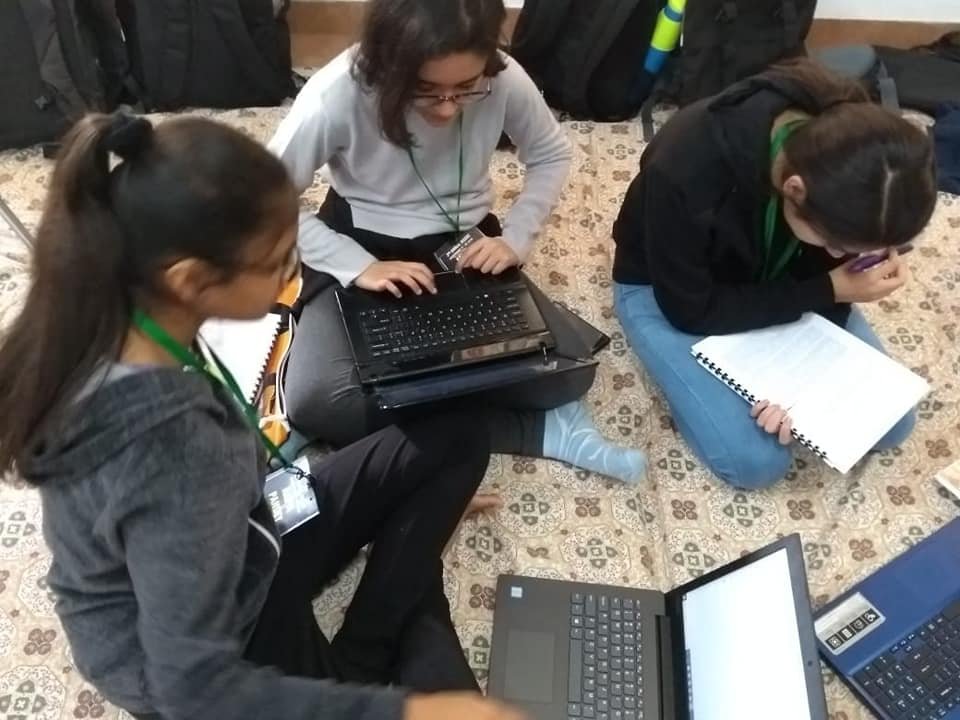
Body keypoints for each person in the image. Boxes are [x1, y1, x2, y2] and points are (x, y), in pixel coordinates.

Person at [0, 113, 526, 720]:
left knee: (458, 435)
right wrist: (405, 713)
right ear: (192, 279)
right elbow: (193, 688)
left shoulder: (111, 316)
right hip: (209, 650)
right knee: (429, 687)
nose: (293, 274)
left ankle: (372, 635)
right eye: (278, 261)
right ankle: (371, 654)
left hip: (248, 538)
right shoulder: (179, 449)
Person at [268, 0, 646, 485]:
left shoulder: (502, 76)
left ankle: (389, 418)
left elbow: (550, 153)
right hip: (362, 242)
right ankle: (534, 431)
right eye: (425, 90)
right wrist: (355, 264)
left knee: (570, 373)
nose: (448, 108)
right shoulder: (338, 91)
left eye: (466, 88)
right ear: (389, 65)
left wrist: (516, 238)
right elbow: (263, 196)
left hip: (463, 244)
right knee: (317, 402)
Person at [612, 60, 937, 490]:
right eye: (837, 244)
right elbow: (690, 309)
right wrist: (827, 290)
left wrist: (803, 374)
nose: (841, 257)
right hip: (667, 290)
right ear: (795, 189)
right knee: (758, 462)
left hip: (782, 280)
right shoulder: (684, 167)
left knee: (892, 422)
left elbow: (828, 272)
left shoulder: (854, 133)